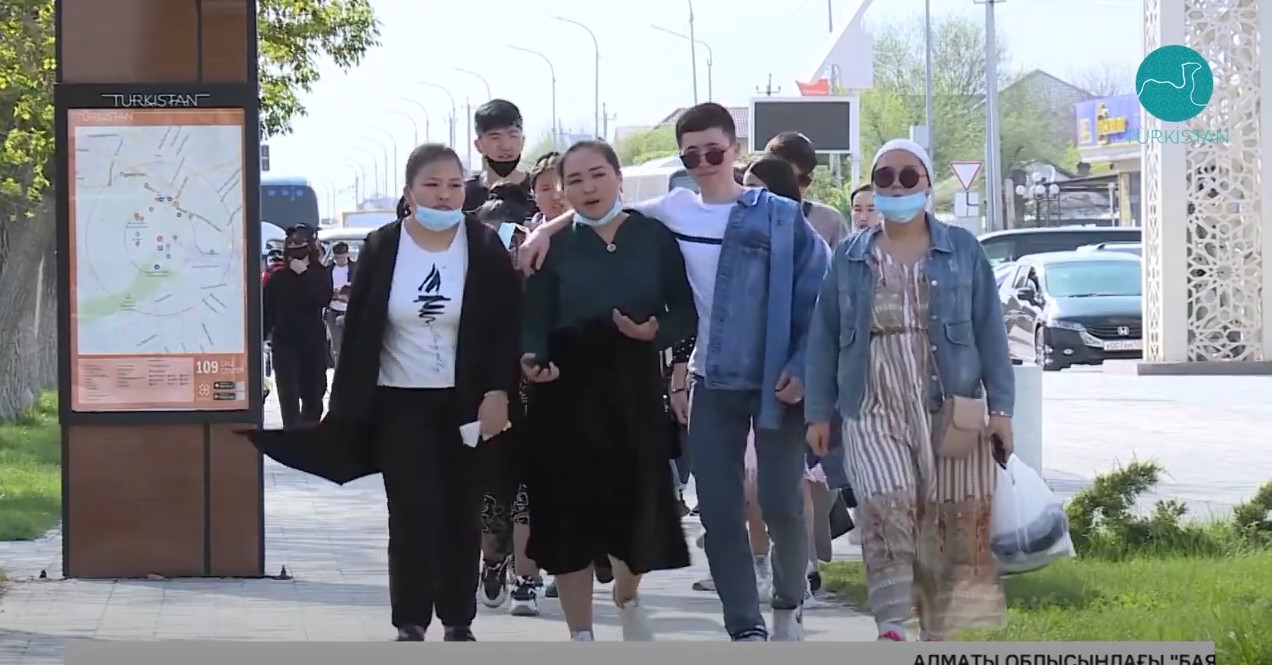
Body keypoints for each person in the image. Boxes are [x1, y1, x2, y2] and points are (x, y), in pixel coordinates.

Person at [519, 104, 829, 642]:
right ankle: (744, 627)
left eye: (714, 151)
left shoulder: (778, 217)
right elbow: (601, 208)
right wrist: (548, 227)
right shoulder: (674, 211)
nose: (704, 162)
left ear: (735, 151)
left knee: (780, 502)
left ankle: (788, 602)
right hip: (708, 381)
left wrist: (802, 366)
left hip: (771, 381)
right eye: (692, 155)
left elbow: (819, 298)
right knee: (718, 510)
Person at [803, 138, 1014, 642]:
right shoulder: (850, 255)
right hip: (871, 403)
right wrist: (818, 411)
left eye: (908, 176)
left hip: (950, 405)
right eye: (885, 177)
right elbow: (824, 335)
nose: (896, 186)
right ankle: (892, 623)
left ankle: (934, 630)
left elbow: (990, 330)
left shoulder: (962, 249)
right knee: (886, 506)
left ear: (927, 183)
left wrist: (1002, 410)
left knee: (945, 522)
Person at [317, 143, 521, 641]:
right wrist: (345, 405)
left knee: (460, 511)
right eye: (432, 185)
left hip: (464, 401)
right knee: (411, 511)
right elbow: (360, 328)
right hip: (400, 401)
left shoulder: (483, 246)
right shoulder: (384, 246)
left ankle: (458, 619)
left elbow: (505, 326)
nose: (444, 195)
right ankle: (410, 620)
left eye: (453, 185)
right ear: (409, 193)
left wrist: (499, 390)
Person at [520, 139, 696, 641]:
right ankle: (581, 634)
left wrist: (655, 333)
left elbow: (684, 311)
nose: (588, 188)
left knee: (637, 510)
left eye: (598, 174)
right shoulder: (552, 246)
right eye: (574, 180)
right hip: (564, 389)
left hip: (632, 388)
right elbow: (535, 317)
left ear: (619, 178)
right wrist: (531, 358)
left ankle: (627, 593)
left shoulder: (654, 236)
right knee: (567, 516)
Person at [470, 182, 539, 615]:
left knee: (529, 496)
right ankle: (494, 561)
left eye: (512, 235)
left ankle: (527, 581)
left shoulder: (543, 279)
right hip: (486, 403)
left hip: (538, 401)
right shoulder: (469, 285)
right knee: (492, 495)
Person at [262, 225, 332, 427]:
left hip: (312, 342)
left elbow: (323, 298)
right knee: (288, 393)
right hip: (285, 342)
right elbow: (268, 310)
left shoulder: (320, 274)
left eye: (299, 242)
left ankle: (310, 431)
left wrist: (304, 274)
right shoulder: (278, 277)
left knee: (313, 394)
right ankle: (292, 430)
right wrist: (263, 337)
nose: (294, 247)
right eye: (290, 243)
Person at [765, 131, 850, 248]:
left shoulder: (831, 222)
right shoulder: (747, 219)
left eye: (802, 180)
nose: (791, 188)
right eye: (782, 179)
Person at [464, 99, 537, 219]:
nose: (505, 146)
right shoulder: (464, 194)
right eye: (495, 137)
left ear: (523, 141)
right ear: (479, 145)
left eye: (513, 135)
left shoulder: (538, 189)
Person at [326, 242, 356, 365]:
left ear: (347, 254)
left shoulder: (355, 268)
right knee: (336, 346)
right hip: (333, 309)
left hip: (350, 310)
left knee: (352, 344)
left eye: (342, 256)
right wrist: (333, 294)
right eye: (338, 257)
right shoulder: (329, 270)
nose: (340, 259)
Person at [528, 152, 567, 229]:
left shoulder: (590, 229)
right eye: (546, 189)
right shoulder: (526, 233)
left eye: (563, 186)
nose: (556, 196)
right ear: (534, 195)